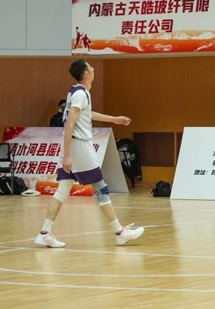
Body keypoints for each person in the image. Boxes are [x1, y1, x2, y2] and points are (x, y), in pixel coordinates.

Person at [34, 59, 143, 248]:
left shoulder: (78, 92)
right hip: (79, 147)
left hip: (73, 146)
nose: (93, 69)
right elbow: (69, 124)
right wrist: (69, 155)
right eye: (90, 67)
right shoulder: (80, 94)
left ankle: (44, 233)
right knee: (101, 188)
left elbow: (87, 114)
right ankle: (119, 232)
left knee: (62, 190)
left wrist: (114, 119)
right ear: (86, 74)